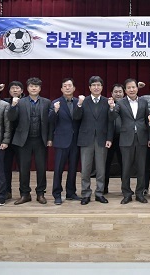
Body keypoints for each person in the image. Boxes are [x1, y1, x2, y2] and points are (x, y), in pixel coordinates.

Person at [8, 77, 51, 205]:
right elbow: (11, 118)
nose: (34, 88)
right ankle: (25, 194)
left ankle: (40, 193)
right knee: (24, 169)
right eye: (31, 86)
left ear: (40, 88)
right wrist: (13, 106)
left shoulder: (47, 102)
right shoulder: (20, 102)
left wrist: (49, 138)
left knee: (41, 168)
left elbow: (50, 123)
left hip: (40, 140)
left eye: (36, 86)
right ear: (27, 88)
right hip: (24, 141)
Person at [73, 76, 115, 205]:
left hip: (102, 139)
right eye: (94, 85)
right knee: (85, 169)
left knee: (101, 168)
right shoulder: (83, 101)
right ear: (89, 87)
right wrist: (79, 105)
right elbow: (76, 117)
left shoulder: (106, 101)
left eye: (99, 85)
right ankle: (85, 193)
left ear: (102, 87)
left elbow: (111, 121)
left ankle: (99, 193)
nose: (96, 87)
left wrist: (109, 138)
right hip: (86, 139)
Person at [112, 78, 150, 204]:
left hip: (142, 139)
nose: (131, 89)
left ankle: (140, 193)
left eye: (133, 87)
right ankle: (127, 193)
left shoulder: (144, 102)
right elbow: (112, 117)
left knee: (141, 168)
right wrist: (112, 108)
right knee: (126, 168)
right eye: (128, 88)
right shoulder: (120, 103)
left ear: (137, 88)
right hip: (126, 139)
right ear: (125, 90)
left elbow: (148, 121)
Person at [48, 78, 81, 205]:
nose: (67, 88)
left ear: (74, 88)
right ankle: (57, 194)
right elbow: (50, 120)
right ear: (61, 89)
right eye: (65, 86)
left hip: (75, 140)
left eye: (69, 86)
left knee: (73, 168)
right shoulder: (56, 103)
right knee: (58, 169)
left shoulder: (79, 102)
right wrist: (55, 111)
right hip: (61, 140)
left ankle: (71, 192)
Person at [2, 81, 23, 200]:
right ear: (9, 91)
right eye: (12, 88)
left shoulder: (25, 102)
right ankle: (6, 191)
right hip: (7, 139)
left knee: (23, 168)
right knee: (6, 167)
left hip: (21, 139)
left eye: (17, 88)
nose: (15, 90)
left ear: (22, 91)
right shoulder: (4, 102)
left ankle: (23, 192)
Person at [104, 83, 124, 194]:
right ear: (111, 94)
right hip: (109, 139)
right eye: (115, 92)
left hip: (123, 138)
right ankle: (104, 188)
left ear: (123, 93)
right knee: (106, 164)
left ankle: (125, 188)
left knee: (124, 165)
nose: (118, 94)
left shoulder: (127, 105)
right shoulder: (106, 104)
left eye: (120, 91)